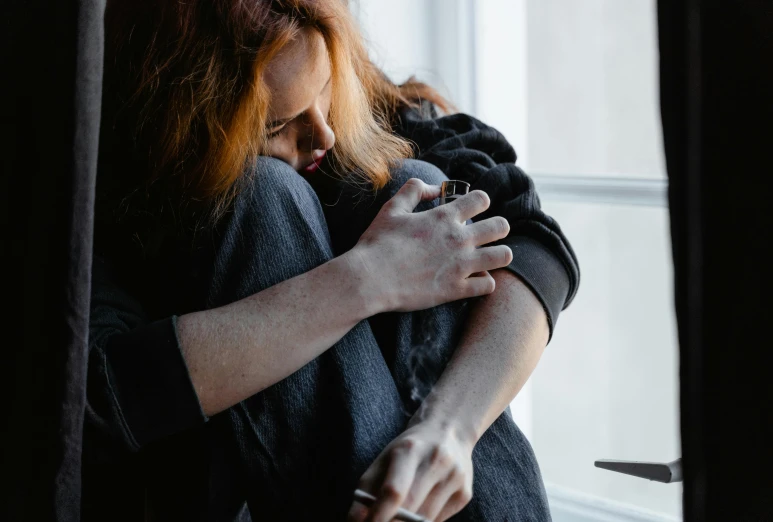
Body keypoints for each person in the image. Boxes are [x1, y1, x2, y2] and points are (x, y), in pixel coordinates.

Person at [86, 1, 579, 521]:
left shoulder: (340, 91)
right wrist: (368, 279)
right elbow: (103, 395)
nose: (322, 133)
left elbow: (533, 244)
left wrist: (449, 427)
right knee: (267, 194)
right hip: (218, 480)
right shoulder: (102, 186)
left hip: (433, 459)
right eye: (278, 123)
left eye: (324, 90)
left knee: (419, 183)